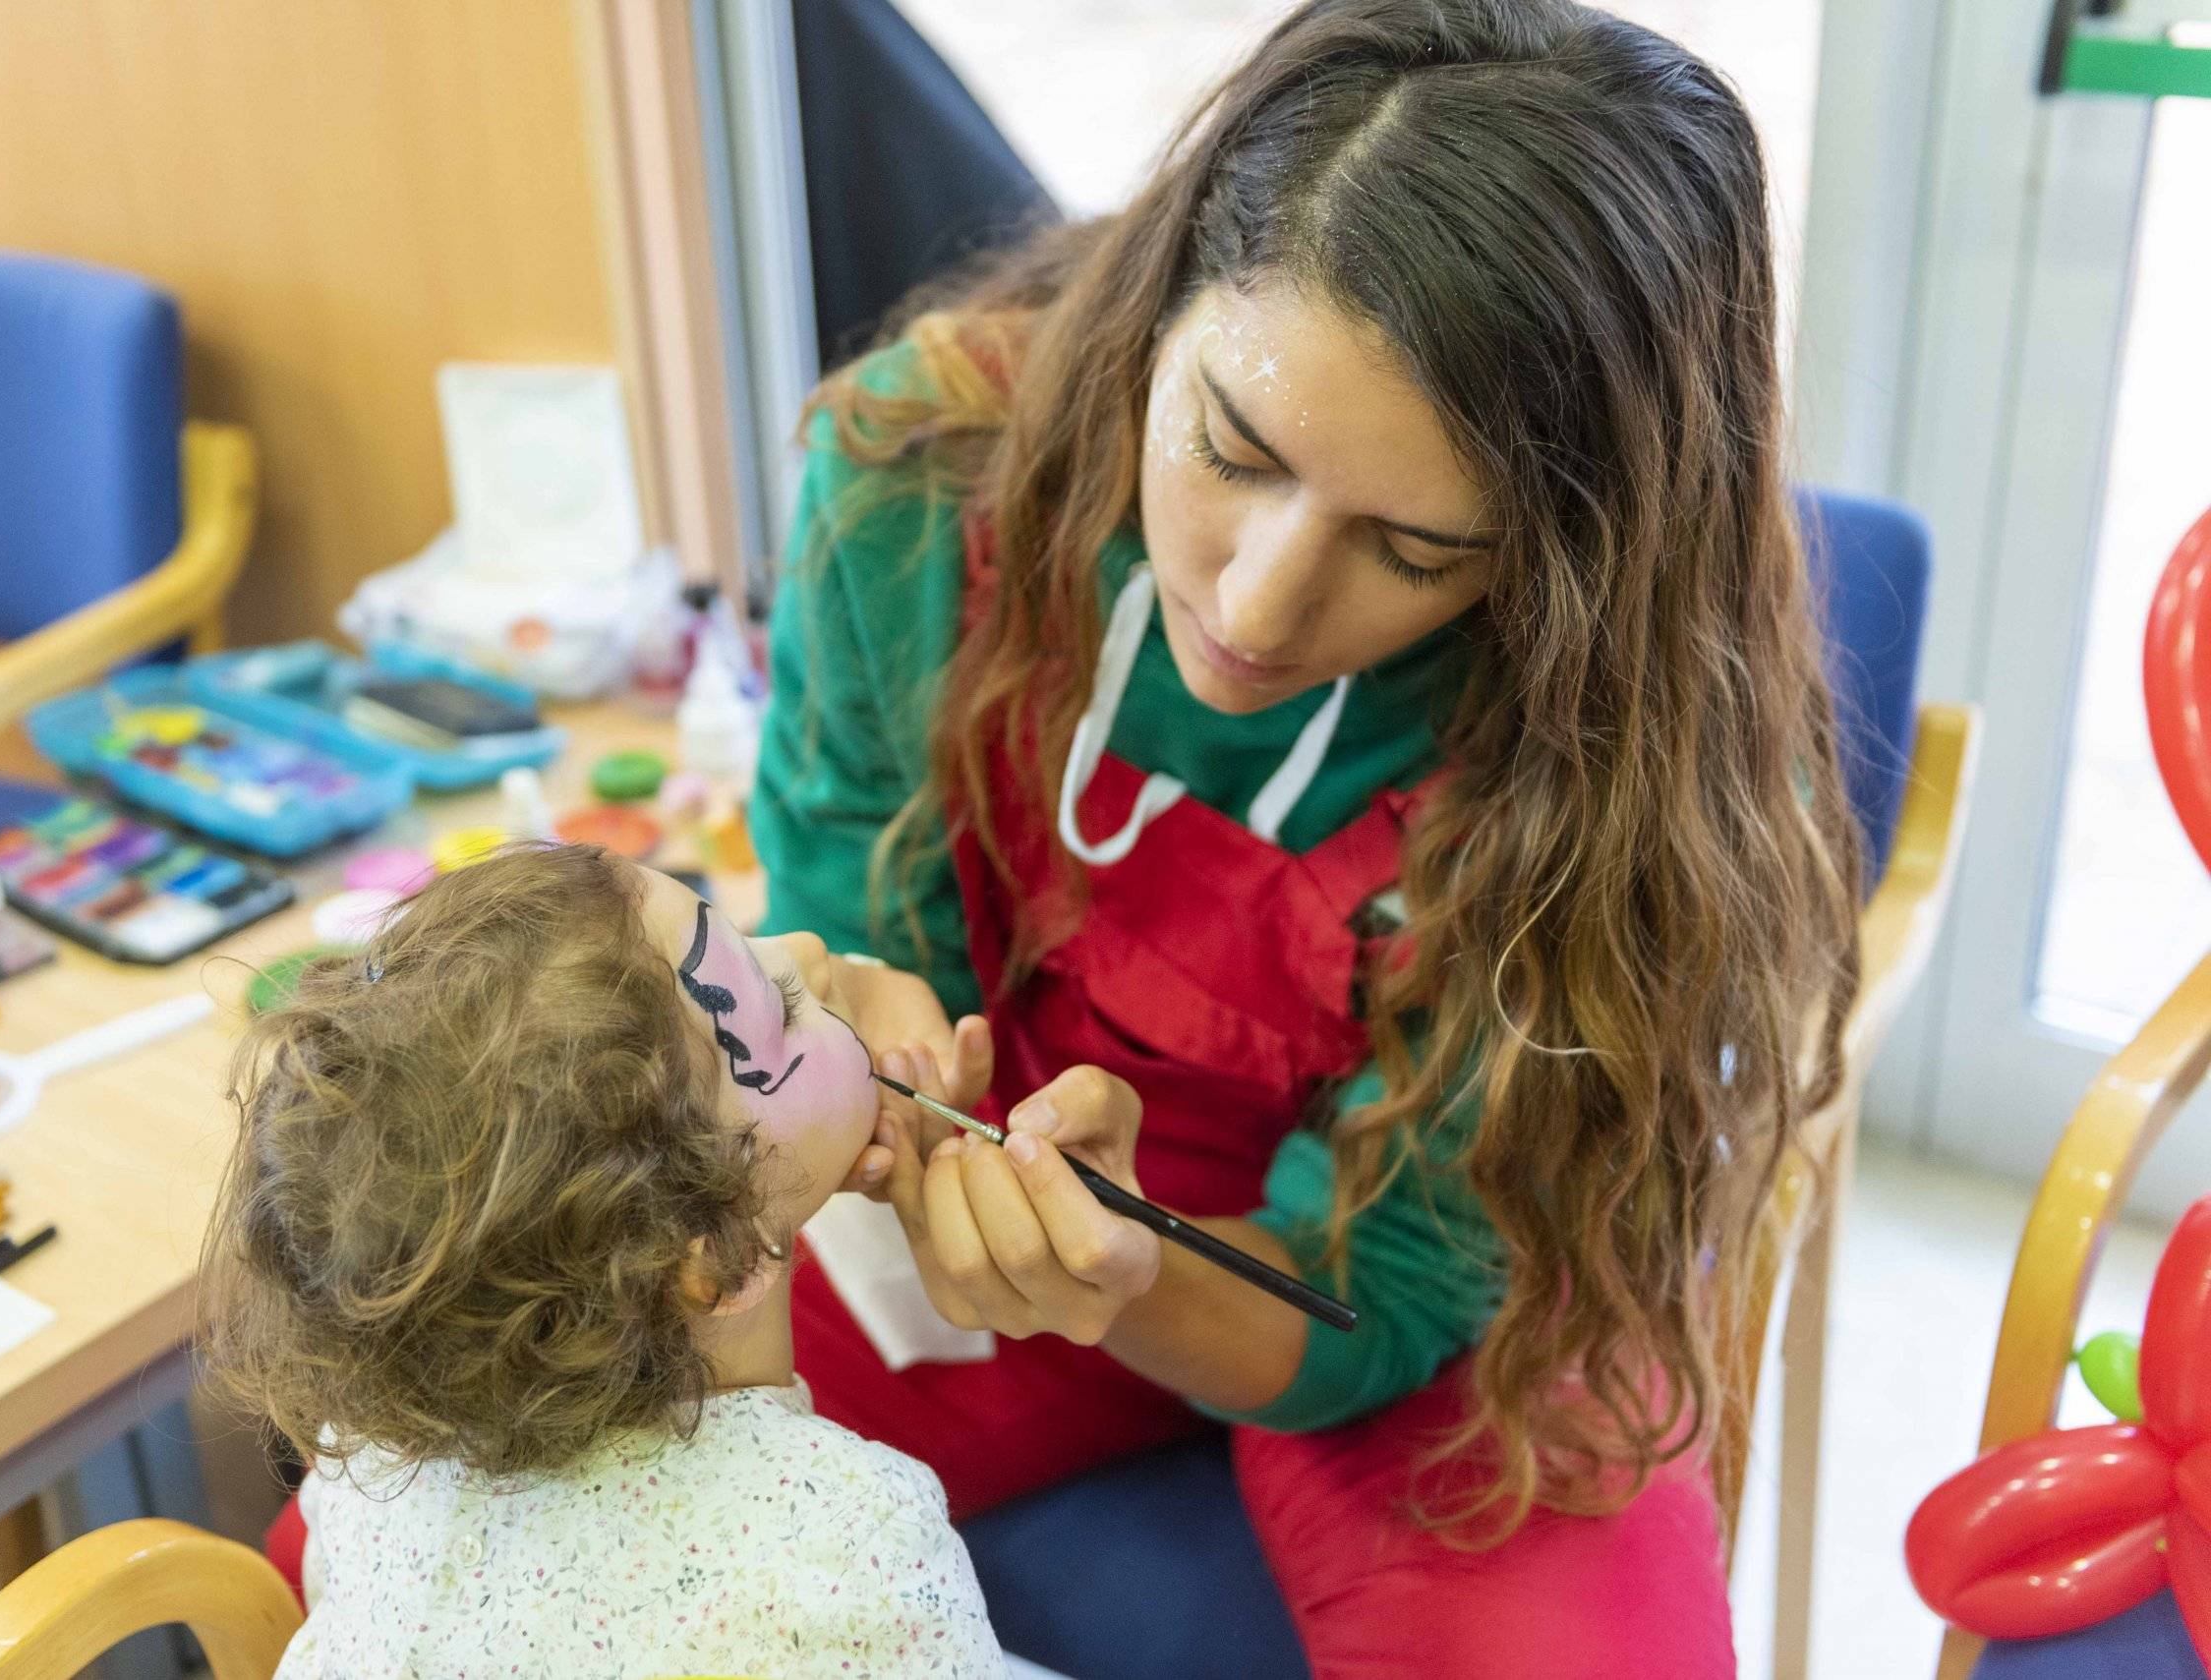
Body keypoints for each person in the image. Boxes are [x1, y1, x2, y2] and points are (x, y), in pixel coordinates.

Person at [750, 1, 1863, 1672]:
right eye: (1230, 448)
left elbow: (1400, 1291)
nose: (1256, 606)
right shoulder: (916, 475)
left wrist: (1133, 1275)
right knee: (476, 1510)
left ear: (1561, 554)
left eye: (1414, 547)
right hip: (1002, 1195)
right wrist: (876, 1064)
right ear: (1165, 296)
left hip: (1444, 1314)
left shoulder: (1628, 756)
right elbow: (858, 901)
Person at [203, 843, 1005, 1680]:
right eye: (778, 1005)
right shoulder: (855, 1539)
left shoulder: (371, 1450)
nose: (807, 949)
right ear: (717, 1257)